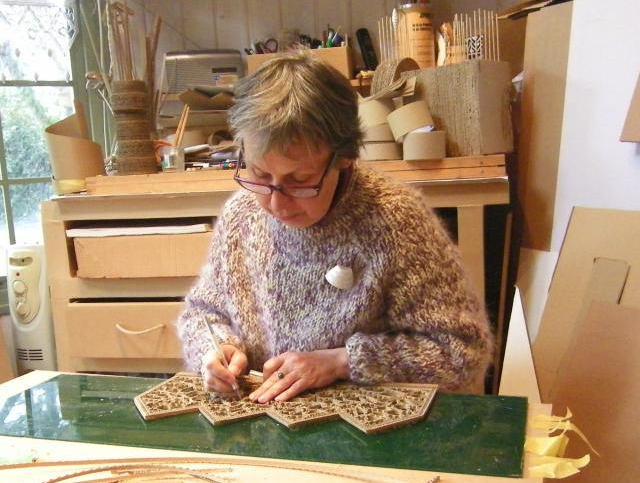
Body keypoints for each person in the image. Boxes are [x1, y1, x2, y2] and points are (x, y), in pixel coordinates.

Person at [178, 51, 492, 404]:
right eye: (260, 174)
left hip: (363, 433)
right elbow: (203, 313)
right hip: (263, 420)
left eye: (301, 181)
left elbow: (461, 352)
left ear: (344, 159)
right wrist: (215, 349)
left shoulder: (395, 221)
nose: (276, 203)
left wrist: (343, 361)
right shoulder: (242, 215)